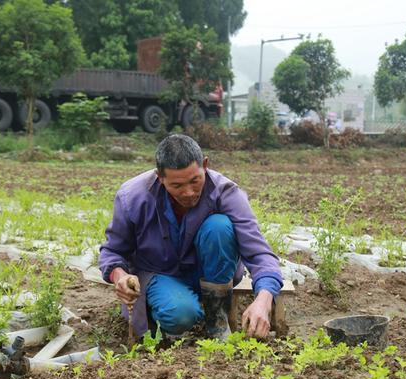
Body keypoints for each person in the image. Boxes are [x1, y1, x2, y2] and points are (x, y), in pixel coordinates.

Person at [98, 134, 283, 340]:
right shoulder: (132, 197)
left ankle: (217, 319)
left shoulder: (226, 193)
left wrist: (264, 299)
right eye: (176, 186)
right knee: (181, 315)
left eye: (195, 181)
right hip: (160, 273)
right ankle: (167, 309)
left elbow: (260, 254)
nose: (188, 192)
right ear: (160, 177)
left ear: (205, 165)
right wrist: (119, 275)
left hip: (213, 272)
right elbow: (113, 252)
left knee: (219, 226)